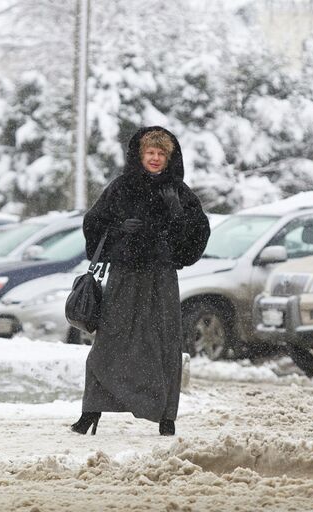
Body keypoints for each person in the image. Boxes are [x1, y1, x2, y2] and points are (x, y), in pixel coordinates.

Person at [71, 126, 210, 436]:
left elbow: (198, 235)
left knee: (165, 343)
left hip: (161, 276)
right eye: (150, 153)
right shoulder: (120, 188)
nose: (156, 159)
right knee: (110, 341)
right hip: (126, 274)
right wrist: (120, 232)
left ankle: (166, 416)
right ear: (140, 154)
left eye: (161, 154)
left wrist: (178, 216)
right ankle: (90, 411)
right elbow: (93, 223)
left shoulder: (179, 192)